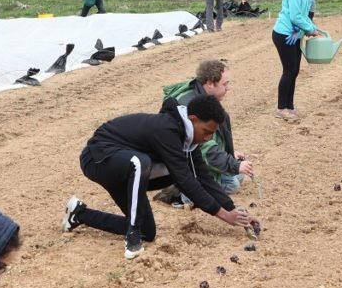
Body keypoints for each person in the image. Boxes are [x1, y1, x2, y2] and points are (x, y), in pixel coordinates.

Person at [64, 94, 258, 259]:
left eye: (211, 135)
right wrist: (224, 215)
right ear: (193, 119)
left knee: (148, 231)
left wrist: (235, 212)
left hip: (128, 170)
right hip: (98, 159)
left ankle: (79, 214)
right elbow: (184, 180)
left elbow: (202, 177)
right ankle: (132, 237)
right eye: (206, 132)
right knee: (143, 163)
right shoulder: (167, 129)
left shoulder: (189, 140)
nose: (207, 138)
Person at [161, 59, 255, 198]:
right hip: (185, 165)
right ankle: (182, 193)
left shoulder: (203, 96)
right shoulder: (191, 106)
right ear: (210, 83)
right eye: (225, 84)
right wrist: (233, 165)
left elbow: (212, 136)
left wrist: (229, 153)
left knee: (238, 176)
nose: (228, 88)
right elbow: (203, 147)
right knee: (233, 184)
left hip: (196, 158)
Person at [271, 0, 330, 120]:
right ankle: (281, 108)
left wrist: (313, 28)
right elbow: (295, 16)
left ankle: (289, 106)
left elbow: (304, 15)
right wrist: (310, 29)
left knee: (295, 70)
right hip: (284, 35)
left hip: (296, 34)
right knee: (289, 70)